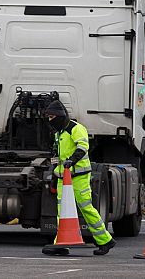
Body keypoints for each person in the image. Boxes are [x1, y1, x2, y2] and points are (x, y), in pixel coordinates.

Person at [41, 100, 115, 256]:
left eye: (52, 116)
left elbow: (83, 147)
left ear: (60, 115)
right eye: (48, 117)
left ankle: (105, 240)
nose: (50, 120)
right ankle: (60, 243)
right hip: (63, 178)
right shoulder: (58, 133)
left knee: (86, 207)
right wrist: (54, 172)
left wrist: (71, 161)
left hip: (79, 176)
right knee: (62, 211)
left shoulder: (76, 128)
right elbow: (56, 155)